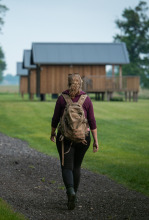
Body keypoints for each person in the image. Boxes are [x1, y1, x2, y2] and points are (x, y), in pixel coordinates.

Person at [50, 73, 99, 210]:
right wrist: (95, 140)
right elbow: (92, 121)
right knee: (76, 167)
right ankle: (74, 195)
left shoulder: (62, 99)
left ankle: (70, 192)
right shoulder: (86, 99)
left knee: (67, 167)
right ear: (81, 83)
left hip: (65, 138)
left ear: (68, 83)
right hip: (84, 138)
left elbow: (55, 119)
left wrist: (53, 132)